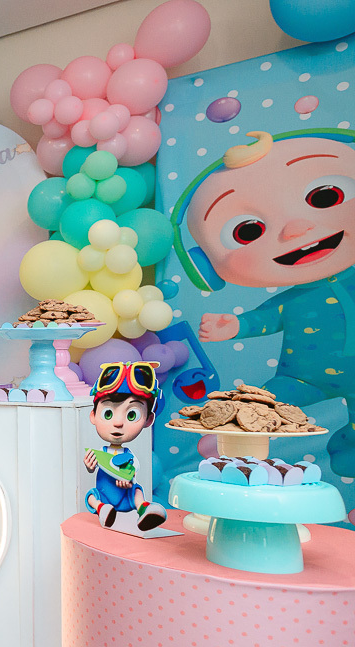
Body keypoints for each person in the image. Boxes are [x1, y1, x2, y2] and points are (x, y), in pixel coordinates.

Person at [187, 130, 355, 480]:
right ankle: (230, 446)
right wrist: (233, 326)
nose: (295, 230)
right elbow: (265, 318)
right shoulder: (290, 301)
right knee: (258, 407)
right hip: (301, 379)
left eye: (326, 196)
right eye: (246, 231)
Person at [83, 361, 167, 531]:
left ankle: (144, 508)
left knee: (137, 491)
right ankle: (102, 509)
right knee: (92, 495)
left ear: (148, 420)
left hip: (126, 496)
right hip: (105, 496)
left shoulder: (130, 457)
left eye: (131, 415)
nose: (118, 423)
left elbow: (132, 472)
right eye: (108, 413)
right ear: (93, 415)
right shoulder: (101, 453)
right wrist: (89, 465)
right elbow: (93, 469)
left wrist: (127, 479)